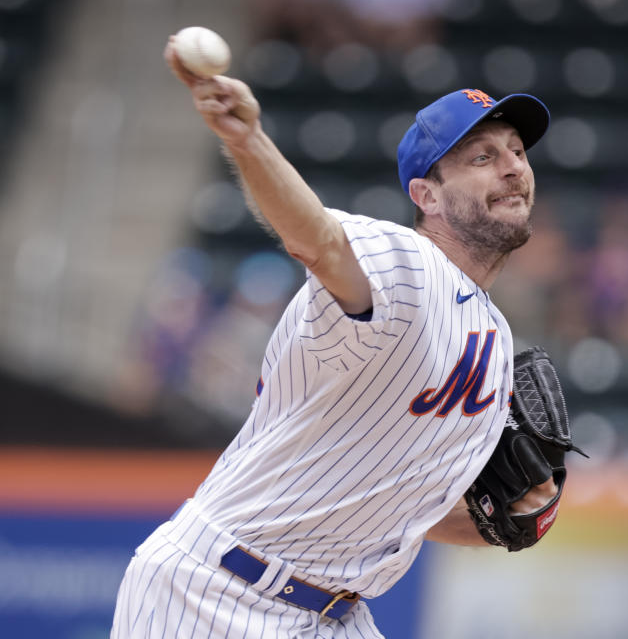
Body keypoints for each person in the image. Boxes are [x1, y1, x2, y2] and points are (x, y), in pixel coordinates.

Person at [110, 37, 557, 638]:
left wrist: (506, 519)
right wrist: (247, 140)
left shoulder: (494, 336)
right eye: (480, 157)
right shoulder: (408, 264)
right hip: (216, 598)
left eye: (516, 152)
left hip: (334, 616)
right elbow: (316, 240)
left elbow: (410, 509)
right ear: (426, 195)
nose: (511, 167)